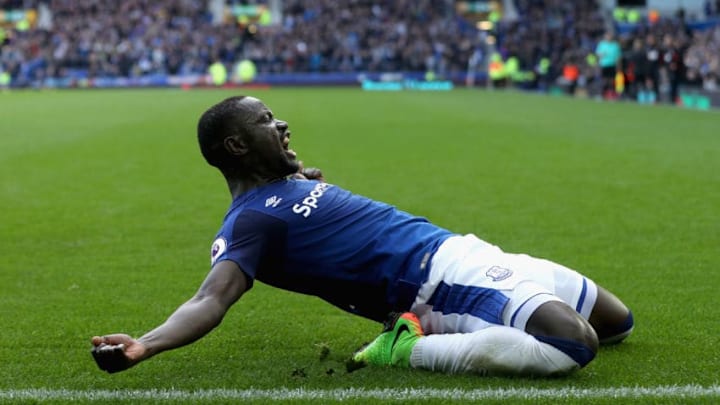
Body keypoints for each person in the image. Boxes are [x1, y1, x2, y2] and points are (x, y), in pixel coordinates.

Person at [91, 96, 634, 377]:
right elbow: (210, 298)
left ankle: (452, 328)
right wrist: (147, 344)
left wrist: (300, 176)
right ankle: (407, 349)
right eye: (266, 120)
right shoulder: (250, 222)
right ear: (236, 146)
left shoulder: (289, 183)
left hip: (467, 249)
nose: (281, 125)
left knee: (616, 323)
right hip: (438, 287)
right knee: (572, 343)